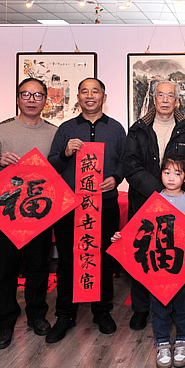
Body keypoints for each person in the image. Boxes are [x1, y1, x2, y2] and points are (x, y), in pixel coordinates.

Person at [46, 78, 126, 343]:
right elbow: (52, 165)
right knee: (68, 259)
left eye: (95, 91)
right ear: (78, 97)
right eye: (84, 91)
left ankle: (102, 311)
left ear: (104, 97)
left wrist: (115, 178)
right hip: (71, 206)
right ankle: (65, 314)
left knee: (102, 258)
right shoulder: (66, 129)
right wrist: (66, 153)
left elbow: (125, 162)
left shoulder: (116, 128)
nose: (90, 96)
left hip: (105, 204)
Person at [0, 78, 59, 350]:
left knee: (39, 266)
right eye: (26, 94)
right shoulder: (0, 131)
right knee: (5, 270)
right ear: (17, 99)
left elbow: (59, 170)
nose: (31, 100)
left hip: (40, 212)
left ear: (45, 100)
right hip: (7, 212)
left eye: (38, 95)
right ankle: (4, 322)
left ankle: (37, 314)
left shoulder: (54, 133)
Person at [111, 154, 185, 368]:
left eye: (177, 173)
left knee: (184, 305)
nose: (171, 178)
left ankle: (182, 341)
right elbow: (140, 230)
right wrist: (122, 237)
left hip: (183, 266)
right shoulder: (154, 201)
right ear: (160, 175)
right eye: (167, 172)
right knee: (159, 305)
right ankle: (162, 342)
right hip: (158, 265)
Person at [124, 80, 185, 331]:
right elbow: (130, 166)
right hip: (143, 201)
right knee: (143, 252)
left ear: (177, 100)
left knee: (171, 255)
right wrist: (160, 192)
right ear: (153, 99)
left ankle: (173, 307)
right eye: (161, 95)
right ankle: (141, 308)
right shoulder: (138, 129)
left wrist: (176, 194)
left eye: (170, 96)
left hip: (177, 205)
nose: (165, 100)